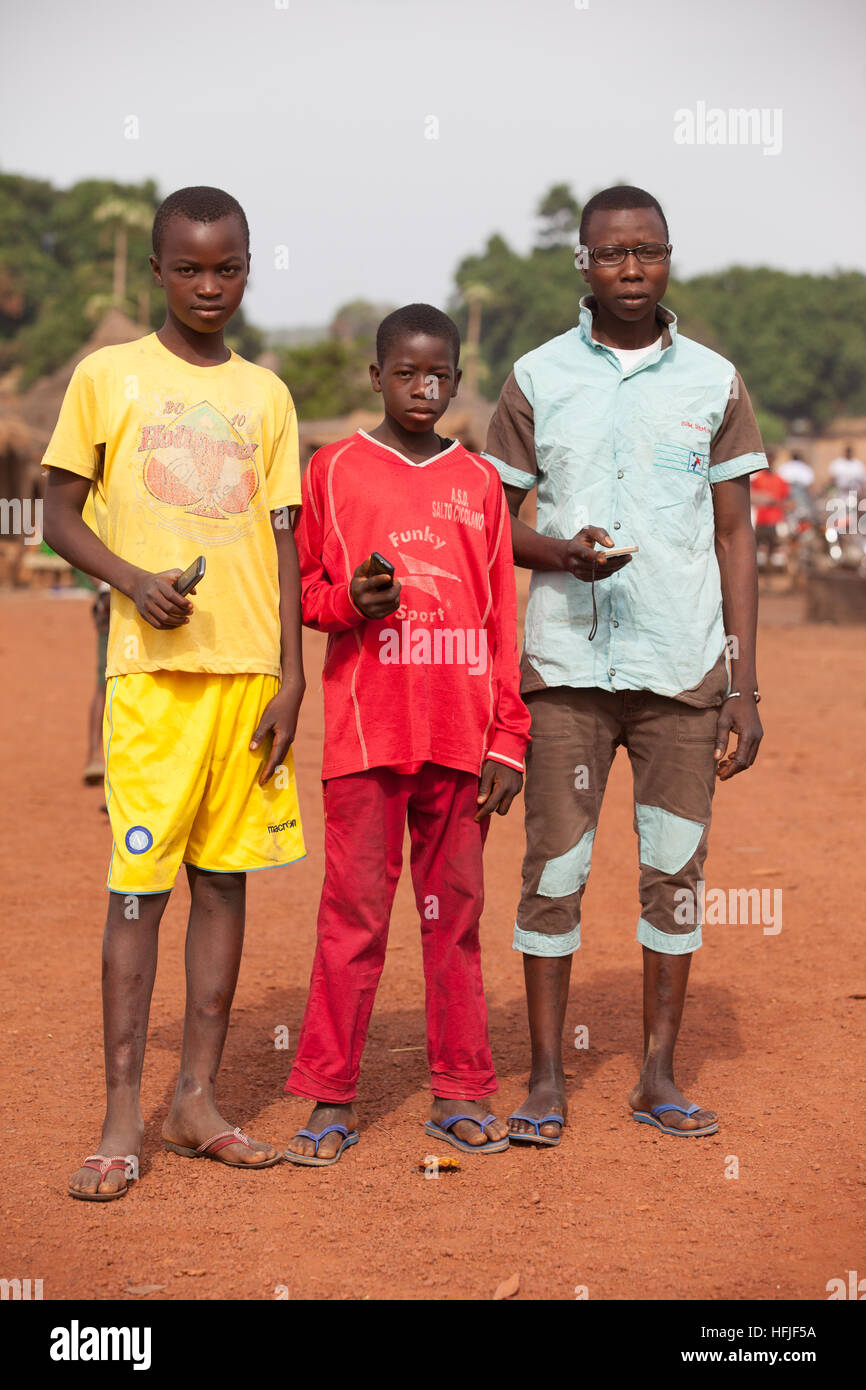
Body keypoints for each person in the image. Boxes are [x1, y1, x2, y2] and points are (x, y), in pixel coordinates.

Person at [483, 185, 766, 1144]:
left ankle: (656, 1074)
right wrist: (563, 552)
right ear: (583, 264)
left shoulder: (715, 383)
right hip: (566, 668)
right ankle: (547, 1081)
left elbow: (735, 537)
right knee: (553, 869)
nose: (631, 271)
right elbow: (494, 524)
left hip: (682, 670)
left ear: (670, 257)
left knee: (674, 872)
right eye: (611, 255)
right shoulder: (536, 378)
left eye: (647, 253)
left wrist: (744, 683)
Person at [42, 186, 306, 1200]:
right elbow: (57, 515)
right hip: (151, 684)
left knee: (225, 882)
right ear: (156, 269)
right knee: (136, 890)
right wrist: (131, 581)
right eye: (189, 267)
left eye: (226, 266)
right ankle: (122, 1114)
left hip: (246, 681)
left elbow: (284, 542)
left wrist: (291, 677)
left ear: (248, 267)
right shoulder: (108, 377)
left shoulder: (268, 397)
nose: (208, 285)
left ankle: (195, 1097)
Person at [284, 304, 530, 1165]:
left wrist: (509, 738)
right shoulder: (334, 468)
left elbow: (501, 618)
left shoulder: (481, 483)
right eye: (406, 375)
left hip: (463, 740)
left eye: (440, 376)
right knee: (351, 915)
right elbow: (309, 595)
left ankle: (461, 1090)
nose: (423, 390)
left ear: (459, 381)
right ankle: (328, 1095)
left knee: (453, 916)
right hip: (364, 732)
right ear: (376, 377)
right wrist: (353, 600)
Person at [750, 450, 791, 570]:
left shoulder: (780, 480)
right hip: (761, 520)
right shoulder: (757, 479)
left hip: (775, 520)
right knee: (759, 553)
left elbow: (785, 499)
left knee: (776, 552)